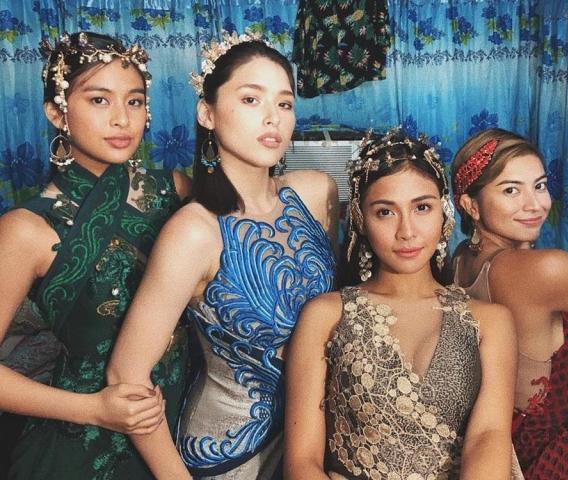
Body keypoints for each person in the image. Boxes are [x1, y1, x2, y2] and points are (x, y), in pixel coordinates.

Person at [107, 31, 338, 479]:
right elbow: (124, 375)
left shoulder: (315, 194)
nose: (272, 117)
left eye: (285, 104)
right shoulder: (195, 232)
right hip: (231, 456)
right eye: (251, 99)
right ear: (207, 113)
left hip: (317, 442)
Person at [0, 32, 191, 479]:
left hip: (183, 427)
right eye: (99, 100)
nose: (122, 119)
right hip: (80, 445)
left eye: (135, 101)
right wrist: (92, 409)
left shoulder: (175, 191)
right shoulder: (26, 229)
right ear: (57, 113)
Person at [284, 129, 517, 479]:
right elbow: (301, 463)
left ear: (445, 213)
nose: (407, 231)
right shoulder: (326, 315)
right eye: (385, 212)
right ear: (361, 219)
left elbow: (489, 436)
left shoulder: (491, 322)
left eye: (422, 207)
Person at [451, 127, 568, 479]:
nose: (535, 204)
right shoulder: (543, 270)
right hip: (563, 452)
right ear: (470, 205)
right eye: (511, 190)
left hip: (515, 444)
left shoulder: (463, 258)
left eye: (539, 186)